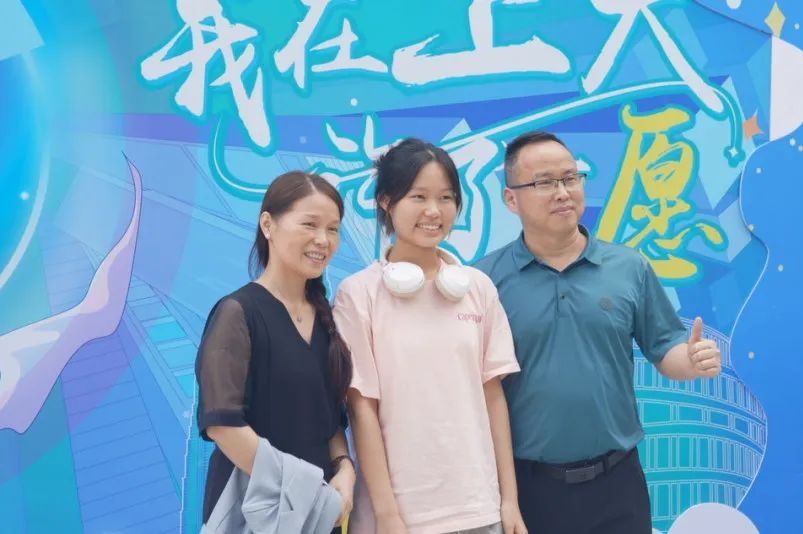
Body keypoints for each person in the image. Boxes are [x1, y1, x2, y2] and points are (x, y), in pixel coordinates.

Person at [475, 131, 723, 533]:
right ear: (511, 199)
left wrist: (691, 359)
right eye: (544, 182)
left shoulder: (628, 267)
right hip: (527, 487)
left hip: (617, 483)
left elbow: (666, 348)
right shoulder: (484, 282)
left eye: (570, 178)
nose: (562, 192)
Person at [334, 138, 527, 534]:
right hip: (401, 518)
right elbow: (361, 408)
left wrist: (508, 500)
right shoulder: (359, 294)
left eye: (446, 197)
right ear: (386, 201)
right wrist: (387, 515)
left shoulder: (477, 287)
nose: (434, 211)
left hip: (479, 510)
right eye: (418, 196)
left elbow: (493, 397)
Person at [195, 171, 356, 532]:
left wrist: (345, 468)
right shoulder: (237, 313)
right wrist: (304, 491)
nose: (323, 240)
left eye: (333, 229)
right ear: (268, 224)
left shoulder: (327, 320)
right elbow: (223, 425)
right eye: (310, 224)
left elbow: (330, 419)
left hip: (319, 515)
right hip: (254, 513)